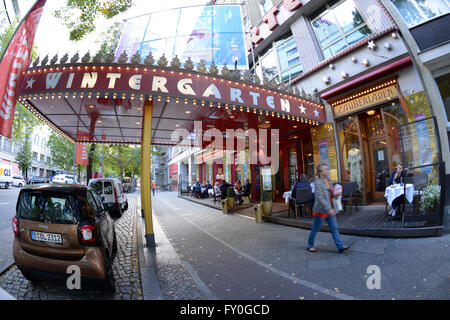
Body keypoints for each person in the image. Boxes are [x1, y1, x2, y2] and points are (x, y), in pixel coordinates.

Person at [307, 164, 349, 253]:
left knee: (334, 228)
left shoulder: (329, 181)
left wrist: (335, 195)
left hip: (331, 209)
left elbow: (331, 194)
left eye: (327, 169)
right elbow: (319, 198)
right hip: (321, 210)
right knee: (315, 228)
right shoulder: (318, 183)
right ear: (320, 172)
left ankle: (340, 246)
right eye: (325, 169)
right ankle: (310, 245)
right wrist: (328, 209)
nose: (327, 171)